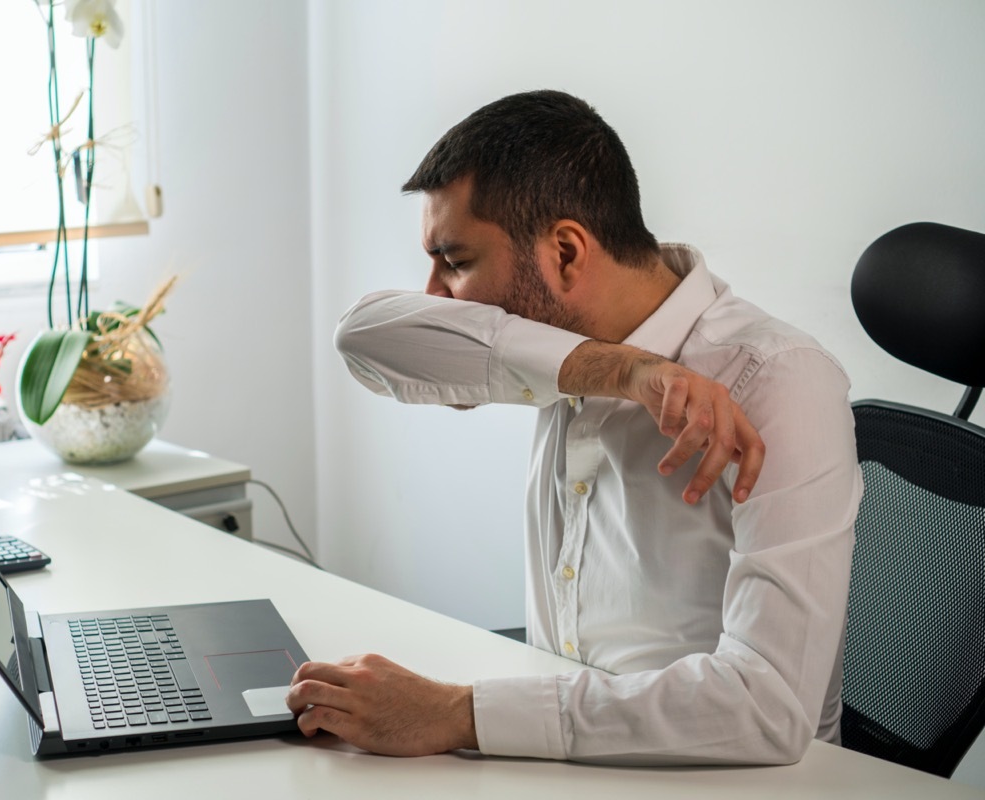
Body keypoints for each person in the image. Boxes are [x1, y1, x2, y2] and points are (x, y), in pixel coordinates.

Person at [286, 90, 862, 765]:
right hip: (565, 760)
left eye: (457, 261)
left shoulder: (778, 380)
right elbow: (362, 335)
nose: (437, 297)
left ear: (564, 253)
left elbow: (766, 707)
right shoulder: (561, 356)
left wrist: (454, 712)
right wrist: (622, 372)